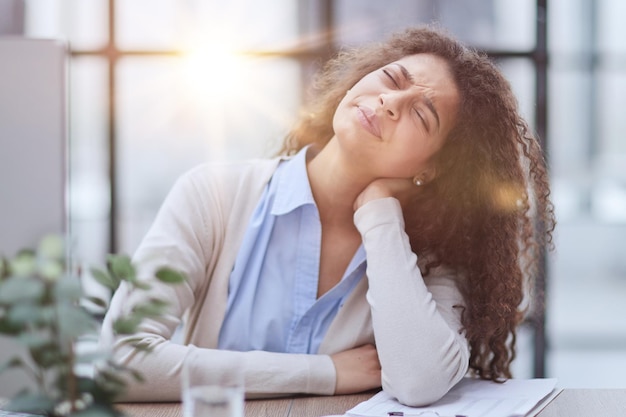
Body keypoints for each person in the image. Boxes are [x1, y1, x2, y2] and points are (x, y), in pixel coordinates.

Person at [100, 26, 555, 407]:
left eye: (421, 114)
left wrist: (379, 214)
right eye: (392, 79)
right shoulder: (213, 195)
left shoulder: (428, 252)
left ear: (430, 169)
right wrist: (325, 374)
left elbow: (419, 383)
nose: (390, 103)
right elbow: (121, 359)